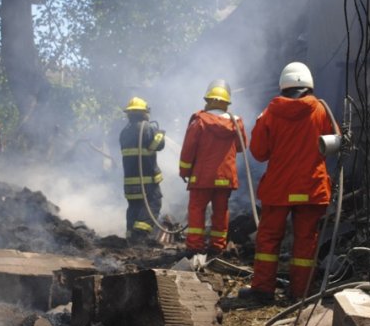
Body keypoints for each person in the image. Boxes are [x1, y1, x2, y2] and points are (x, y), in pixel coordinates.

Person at [239, 62, 333, 304]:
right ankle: (301, 293)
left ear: (283, 86)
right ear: (308, 85)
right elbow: (332, 143)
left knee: (269, 238)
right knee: (306, 240)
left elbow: (259, 152)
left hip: (279, 189)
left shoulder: (270, 113)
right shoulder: (321, 110)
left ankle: (262, 291)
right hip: (311, 187)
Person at [179, 80, 247, 257]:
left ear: (208, 100)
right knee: (221, 211)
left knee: (196, 210)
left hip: (202, 177)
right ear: (226, 103)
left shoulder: (199, 121)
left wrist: (184, 171)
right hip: (225, 177)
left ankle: (194, 248)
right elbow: (241, 147)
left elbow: (188, 149)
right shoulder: (236, 122)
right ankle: (217, 247)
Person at [119, 96, 165, 241]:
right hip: (147, 181)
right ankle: (140, 235)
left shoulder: (124, 132)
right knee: (152, 205)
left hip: (130, 181)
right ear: (144, 112)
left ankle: (130, 236)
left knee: (134, 207)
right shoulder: (148, 128)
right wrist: (160, 135)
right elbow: (157, 146)